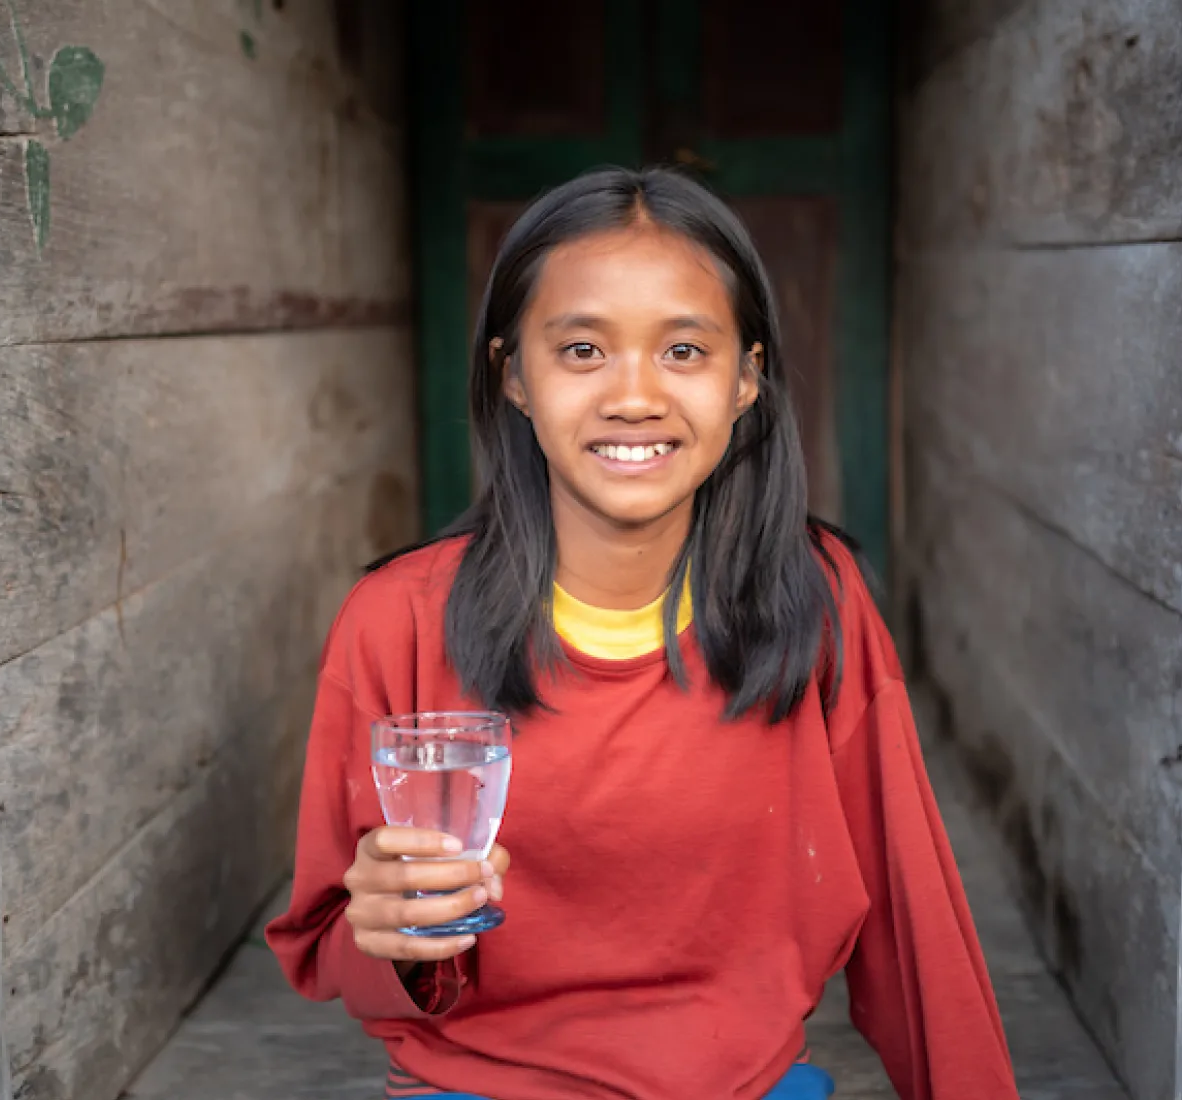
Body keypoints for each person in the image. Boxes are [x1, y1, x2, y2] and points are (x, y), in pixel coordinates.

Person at [265, 166, 1018, 1100]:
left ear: (748, 379)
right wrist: (398, 932)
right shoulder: (398, 620)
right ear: (513, 376)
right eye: (582, 350)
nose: (633, 397)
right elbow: (331, 946)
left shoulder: (816, 602)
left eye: (685, 352)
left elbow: (915, 926)